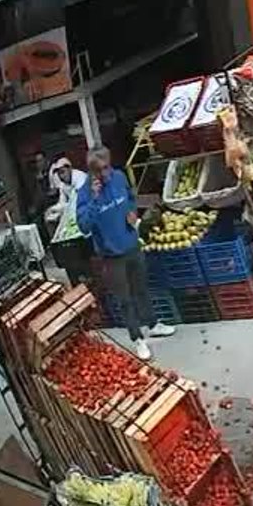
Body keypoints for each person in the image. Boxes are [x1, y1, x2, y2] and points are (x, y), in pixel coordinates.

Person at [75, 147, 175, 361]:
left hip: (131, 244)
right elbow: (83, 226)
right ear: (92, 172)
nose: (107, 173)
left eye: (108, 167)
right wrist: (93, 199)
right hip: (111, 255)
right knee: (125, 299)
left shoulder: (118, 177)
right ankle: (137, 338)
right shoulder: (84, 193)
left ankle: (153, 323)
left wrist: (132, 211)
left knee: (141, 288)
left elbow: (130, 197)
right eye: (101, 170)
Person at [44, 156, 93, 286]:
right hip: (73, 217)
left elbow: (76, 202)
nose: (61, 176)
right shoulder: (64, 185)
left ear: (69, 169)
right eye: (58, 173)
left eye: (62, 172)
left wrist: (65, 212)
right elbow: (63, 202)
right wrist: (53, 210)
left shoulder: (80, 179)